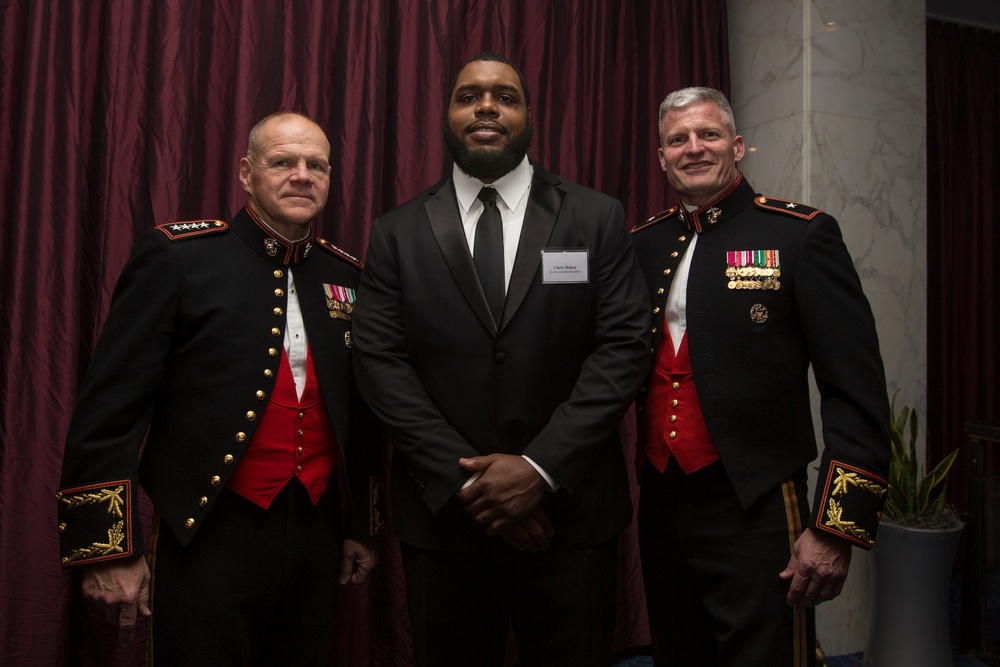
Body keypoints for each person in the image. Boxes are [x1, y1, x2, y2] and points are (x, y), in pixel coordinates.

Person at [351, 52, 650, 667]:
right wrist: (473, 484)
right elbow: (380, 363)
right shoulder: (396, 232)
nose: (486, 107)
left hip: (570, 518)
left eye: (505, 97)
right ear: (447, 115)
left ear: (529, 115)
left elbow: (623, 348)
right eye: (469, 96)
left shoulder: (596, 217)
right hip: (446, 521)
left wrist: (538, 470)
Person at [56, 112, 380, 664]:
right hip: (205, 533)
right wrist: (107, 549)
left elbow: (361, 414)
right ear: (246, 173)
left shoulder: (346, 275)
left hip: (317, 535)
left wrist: (361, 527)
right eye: (282, 162)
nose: (302, 175)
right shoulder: (179, 257)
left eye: (317, 165)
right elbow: (109, 410)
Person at [631, 87, 891, 666]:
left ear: (738, 146)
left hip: (757, 504)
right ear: (662, 157)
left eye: (709, 134)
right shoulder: (642, 245)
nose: (694, 148)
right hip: (662, 501)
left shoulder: (799, 234)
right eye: (678, 139)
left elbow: (857, 392)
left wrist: (837, 528)